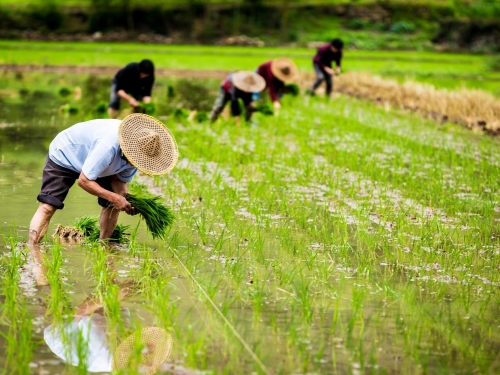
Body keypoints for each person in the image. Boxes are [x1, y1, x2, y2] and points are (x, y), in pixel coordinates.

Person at [28, 113, 178, 245]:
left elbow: (119, 181)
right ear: (129, 148)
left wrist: (126, 200)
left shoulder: (138, 156)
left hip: (98, 165)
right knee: (48, 206)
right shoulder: (108, 145)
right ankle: (32, 250)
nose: (137, 163)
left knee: (113, 205)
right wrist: (114, 197)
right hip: (66, 154)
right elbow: (84, 180)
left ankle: (104, 246)